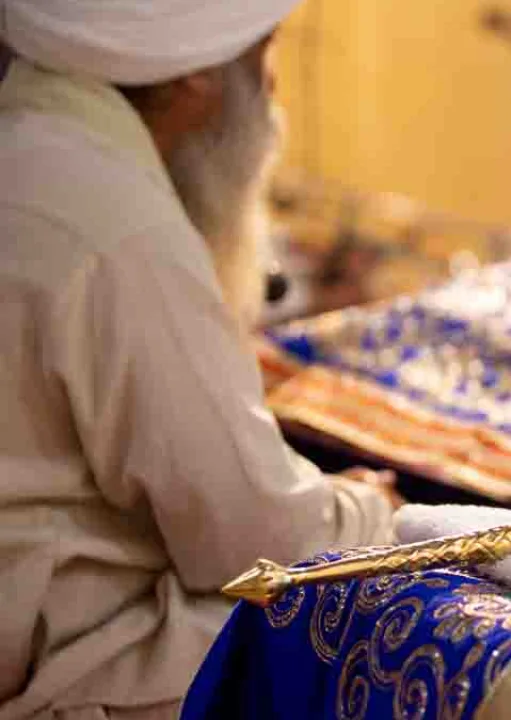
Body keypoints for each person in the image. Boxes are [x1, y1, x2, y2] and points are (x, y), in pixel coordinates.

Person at [0, 2, 403, 717]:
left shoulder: (32, 134)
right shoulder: (115, 222)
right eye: (266, 49)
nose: (272, 89)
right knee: (373, 605)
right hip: (59, 664)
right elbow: (258, 540)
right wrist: (370, 508)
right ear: (192, 75)